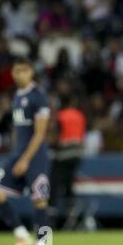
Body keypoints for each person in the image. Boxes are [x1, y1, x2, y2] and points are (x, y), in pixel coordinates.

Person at [0, 58, 51, 245]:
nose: (19, 75)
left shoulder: (38, 96)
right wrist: (17, 153)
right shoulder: (16, 96)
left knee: (40, 200)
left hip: (35, 156)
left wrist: (25, 159)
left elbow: (40, 133)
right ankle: (22, 235)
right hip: (18, 153)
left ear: (31, 72)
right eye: (16, 71)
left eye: (23, 71)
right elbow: (19, 130)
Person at [48, 95, 86, 229]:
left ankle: (50, 219)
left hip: (63, 154)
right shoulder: (80, 115)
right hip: (77, 155)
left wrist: (51, 144)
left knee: (54, 185)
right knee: (69, 186)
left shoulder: (61, 116)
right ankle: (72, 217)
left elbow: (56, 136)